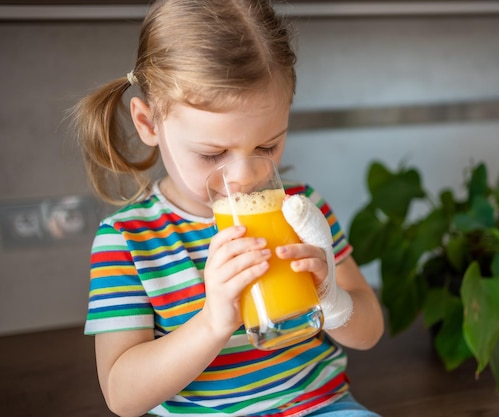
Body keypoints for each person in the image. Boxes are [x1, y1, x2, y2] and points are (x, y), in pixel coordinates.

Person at [70, 0, 384, 416]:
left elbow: (370, 332)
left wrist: (332, 297)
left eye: (267, 146)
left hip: (318, 406)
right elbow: (123, 395)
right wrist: (213, 322)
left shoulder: (301, 210)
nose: (242, 176)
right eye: (213, 153)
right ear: (149, 124)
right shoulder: (128, 242)